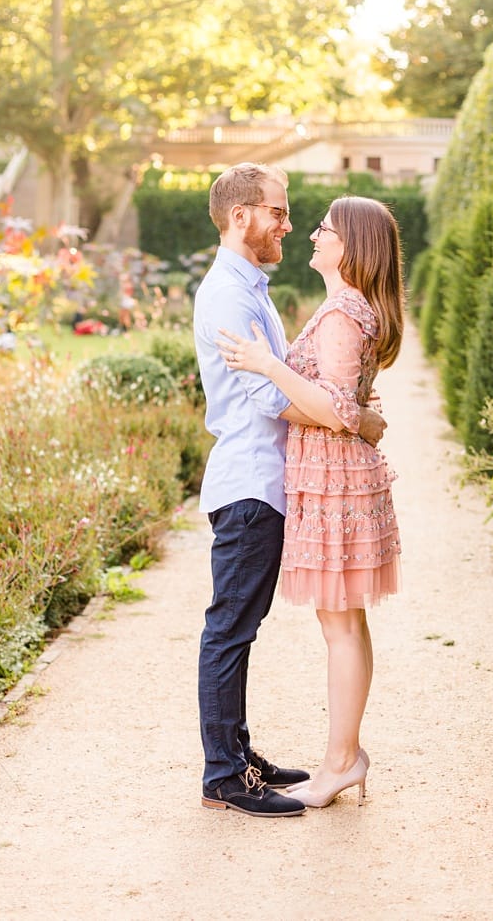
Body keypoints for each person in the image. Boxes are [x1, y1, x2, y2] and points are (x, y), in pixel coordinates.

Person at [194, 162, 381, 818]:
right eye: (278, 210)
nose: (288, 223)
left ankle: (239, 758)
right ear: (241, 215)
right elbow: (273, 396)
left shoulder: (253, 288)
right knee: (230, 629)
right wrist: (350, 415)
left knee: (241, 628)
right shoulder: (229, 297)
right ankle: (224, 776)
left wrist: (349, 406)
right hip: (250, 482)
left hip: (269, 483)